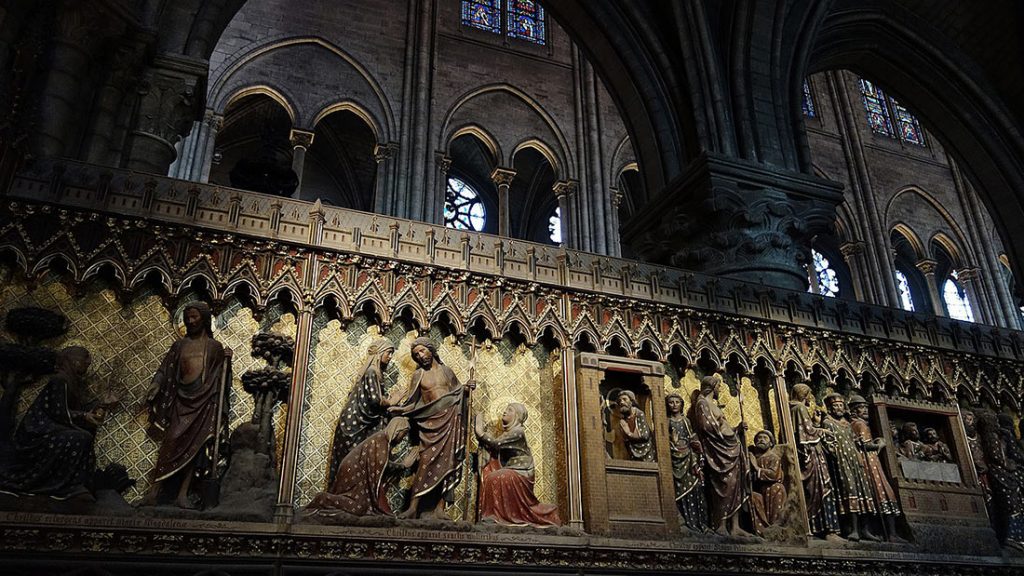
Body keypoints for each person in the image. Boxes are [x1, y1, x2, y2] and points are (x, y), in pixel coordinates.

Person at [143, 302, 231, 508]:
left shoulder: (214, 347)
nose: (190, 322)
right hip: (182, 400)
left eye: (194, 318)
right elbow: (166, 368)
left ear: (205, 319)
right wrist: (156, 384)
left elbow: (221, 378)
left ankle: (183, 494)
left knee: (196, 448)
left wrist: (227, 361)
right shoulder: (179, 346)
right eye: (187, 318)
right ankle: (154, 491)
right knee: (170, 442)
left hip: (204, 402)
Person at [389, 337, 473, 520]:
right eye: (416, 354)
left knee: (449, 463)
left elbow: (458, 392)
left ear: (431, 350)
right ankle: (413, 508)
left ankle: (440, 509)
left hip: (450, 420)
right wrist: (399, 409)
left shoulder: (446, 371)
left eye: (422, 351)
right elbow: (413, 402)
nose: (420, 356)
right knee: (425, 462)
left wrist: (467, 389)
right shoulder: (419, 375)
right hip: (431, 425)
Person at [0, 347, 100, 499]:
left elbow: (73, 411)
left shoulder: (72, 383)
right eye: (85, 360)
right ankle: (61, 485)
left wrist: (100, 406)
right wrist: (83, 416)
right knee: (80, 438)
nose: (87, 365)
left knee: (83, 436)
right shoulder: (59, 380)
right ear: (75, 360)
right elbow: (57, 411)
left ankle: (72, 485)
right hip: (39, 429)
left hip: (56, 426)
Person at [305, 417, 414, 517]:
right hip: (353, 473)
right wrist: (403, 465)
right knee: (359, 507)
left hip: (356, 475)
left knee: (361, 507)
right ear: (397, 431)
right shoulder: (382, 440)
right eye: (403, 435)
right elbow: (382, 464)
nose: (402, 439)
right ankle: (323, 498)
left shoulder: (383, 441)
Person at [474, 402, 560, 527]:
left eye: (509, 410)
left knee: (495, 478)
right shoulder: (508, 433)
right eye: (505, 409)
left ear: (517, 416)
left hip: (522, 472)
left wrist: (480, 431)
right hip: (512, 469)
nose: (505, 412)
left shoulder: (518, 432)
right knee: (490, 474)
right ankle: (496, 515)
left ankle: (499, 516)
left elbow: (496, 444)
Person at [327, 338, 396, 487]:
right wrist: (392, 401)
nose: (390, 357)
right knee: (351, 463)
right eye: (389, 353)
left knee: (356, 463)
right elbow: (374, 400)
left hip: (358, 424)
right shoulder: (372, 372)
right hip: (354, 425)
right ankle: (344, 496)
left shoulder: (375, 373)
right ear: (379, 353)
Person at [693, 374, 749, 536]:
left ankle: (736, 526)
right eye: (718, 386)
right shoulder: (702, 404)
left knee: (736, 485)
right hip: (718, 450)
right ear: (711, 387)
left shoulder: (713, 404)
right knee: (724, 485)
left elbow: (723, 426)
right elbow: (706, 427)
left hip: (730, 447)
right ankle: (721, 524)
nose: (719, 389)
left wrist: (737, 429)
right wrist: (729, 435)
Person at [821, 393, 875, 541]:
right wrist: (833, 452)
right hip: (841, 462)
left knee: (863, 491)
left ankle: (865, 529)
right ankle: (853, 529)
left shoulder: (847, 423)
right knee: (849, 490)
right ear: (830, 409)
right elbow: (827, 443)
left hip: (855, 461)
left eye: (840, 405)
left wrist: (859, 442)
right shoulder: (827, 423)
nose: (838, 408)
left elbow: (852, 440)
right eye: (834, 406)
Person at [790, 383, 840, 539]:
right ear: (803, 395)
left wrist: (816, 423)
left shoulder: (794, 408)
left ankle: (821, 527)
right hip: (812, 454)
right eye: (808, 395)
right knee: (822, 488)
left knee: (818, 489)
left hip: (812, 452)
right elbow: (807, 432)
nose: (810, 399)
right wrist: (823, 430)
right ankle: (827, 529)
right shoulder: (799, 408)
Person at [848, 395, 901, 541]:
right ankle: (891, 534)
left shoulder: (852, 424)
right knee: (884, 492)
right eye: (861, 408)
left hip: (864, 461)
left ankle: (883, 532)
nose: (865, 410)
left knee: (873, 493)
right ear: (853, 411)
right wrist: (880, 444)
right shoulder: (860, 424)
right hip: (869, 462)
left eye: (865, 407)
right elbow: (865, 445)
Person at [665, 393, 708, 532]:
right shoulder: (666, 421)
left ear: (681, 404)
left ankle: (696, 523)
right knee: (678, 489)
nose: (674, 405)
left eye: (677, 402)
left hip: (688, 458)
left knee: (694, 488)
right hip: (674, 457)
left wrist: (698, 448)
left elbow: (692, 437)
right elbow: (662, 440)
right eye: (671, 402)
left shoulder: (685, 421)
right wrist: (673, 443)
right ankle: (683, 521)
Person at [749, 430, 787, 536]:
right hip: (760, 489)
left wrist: (756, 468)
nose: (761, 440)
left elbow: (774, 474)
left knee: (777, 488)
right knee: (753, 497)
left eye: (765, 438)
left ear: (771, 443)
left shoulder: (773, 457)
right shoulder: (754, 458)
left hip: (773, 488)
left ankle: (776, 528)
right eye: (759, 438)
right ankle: (763, 530)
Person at [616, 390, 654, 462]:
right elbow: (625, 441)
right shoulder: (623, 420)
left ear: (631, 401)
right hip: (632, 453)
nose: (621, 402)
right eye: (619, 401)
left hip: (646, 451)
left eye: (624, 399)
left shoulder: (639, 414)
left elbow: (645, 435)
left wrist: (628, 433)